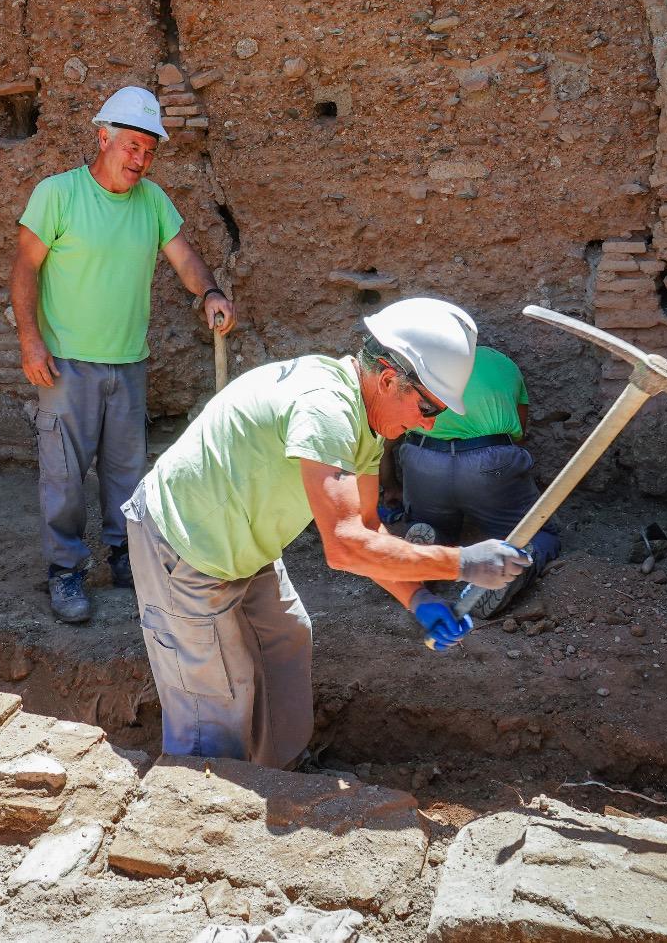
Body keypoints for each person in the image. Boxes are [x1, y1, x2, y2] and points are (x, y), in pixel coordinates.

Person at [122, 298, 531, 768]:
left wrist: (418, 598)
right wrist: (462, 563)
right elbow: (344, 546)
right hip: (183, 545)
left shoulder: (369, 422)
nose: (429, 424)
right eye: (427, 406)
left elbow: (370, 527)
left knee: (286, 639)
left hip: (245, 543)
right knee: (213, 704)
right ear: (388, 379)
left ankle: (282, 776)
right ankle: (204, 808)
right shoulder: (324, 408)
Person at [11, 86, 235, 624]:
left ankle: (124, 559)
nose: (140, 159)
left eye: (148, 150)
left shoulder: (153, 202)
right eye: (132, 145)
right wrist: (29, 339)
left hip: (129, 362)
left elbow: (184, 258)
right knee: (64, 477)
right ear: (103, 137)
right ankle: (66, 572)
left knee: (128, 475)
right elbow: (25, 269)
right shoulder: (58, 194)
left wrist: (209, 292)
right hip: (65, 364)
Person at [379, 343, 561, 619]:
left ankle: (426, 543)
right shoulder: (504, 363)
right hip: (489, 464)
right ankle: (513, 564)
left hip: (424, 460)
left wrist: (391, 486)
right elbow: (521, 433)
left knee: (433, 526)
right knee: (541, 534)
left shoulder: (424, 363)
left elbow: (387, 442)